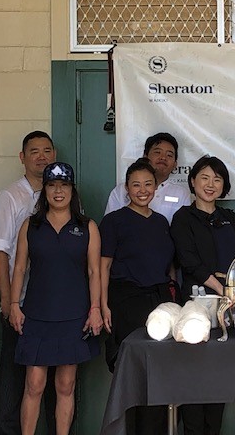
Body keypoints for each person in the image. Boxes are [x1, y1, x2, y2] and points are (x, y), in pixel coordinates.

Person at [9, 162, 102, 435]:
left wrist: (95, 308)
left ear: (73, 190)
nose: (58, 191)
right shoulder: (31, 226)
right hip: (37, 314)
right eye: (52, 185)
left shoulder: (87, 227)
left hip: (74, 315)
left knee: (66, 385)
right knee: (34, 385)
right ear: (44, 190)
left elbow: (95, 271)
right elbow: (19, 268)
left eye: (64, 185)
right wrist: (14, 305)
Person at [100, 157, 179, 435]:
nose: (142, 190)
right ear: (127, 188)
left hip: (158, 303)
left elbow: (168, 265)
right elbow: (103, 267)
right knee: (132, 373)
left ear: (155, 188)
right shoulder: (113, 222)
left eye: (148, 184)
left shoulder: (160, 222)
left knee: (158, 373)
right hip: (125, 302)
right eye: (136, 185)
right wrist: (102, 306)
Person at [170, 155, 235, 435]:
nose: (210, 184)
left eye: (217, 179)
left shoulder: (229, 218)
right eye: (204, 177)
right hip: (195, 303)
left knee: (219, 375)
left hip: (229, 305)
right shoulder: (183, 218)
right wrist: (219, 288)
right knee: (193, 373)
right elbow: (188, 260)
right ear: (192, 181)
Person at [0, 130, 57, 435]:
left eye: (46, 151)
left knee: (55, 382)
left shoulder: (61, 194)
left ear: (54, 155)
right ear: (22, 158)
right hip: (22, 302)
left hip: (56, 306)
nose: (41, 157)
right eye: (34, 152)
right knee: (15, 380)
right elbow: (0, 251)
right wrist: (7, 300)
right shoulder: (11, 197)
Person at [104, 132, 190, 223]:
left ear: (175, 164)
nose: (163, 158)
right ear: (145, 156)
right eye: (157, 152)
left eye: (169, 155)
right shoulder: (121, 191)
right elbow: (110, 225)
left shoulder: (182, 194)